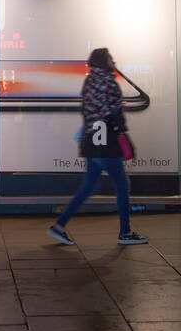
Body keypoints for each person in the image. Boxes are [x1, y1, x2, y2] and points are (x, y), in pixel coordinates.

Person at [48, 48, 147, 246]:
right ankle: (125, 233)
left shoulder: (89, 81)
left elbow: (89, 110)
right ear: (105, 61)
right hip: (107, 141)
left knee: (88, 188)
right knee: (122, 185)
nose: (113, 60)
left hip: (91, 140)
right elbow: (113, 113)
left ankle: (58, 226)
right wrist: (124, 134)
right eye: (110, 58)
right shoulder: (109, 83)